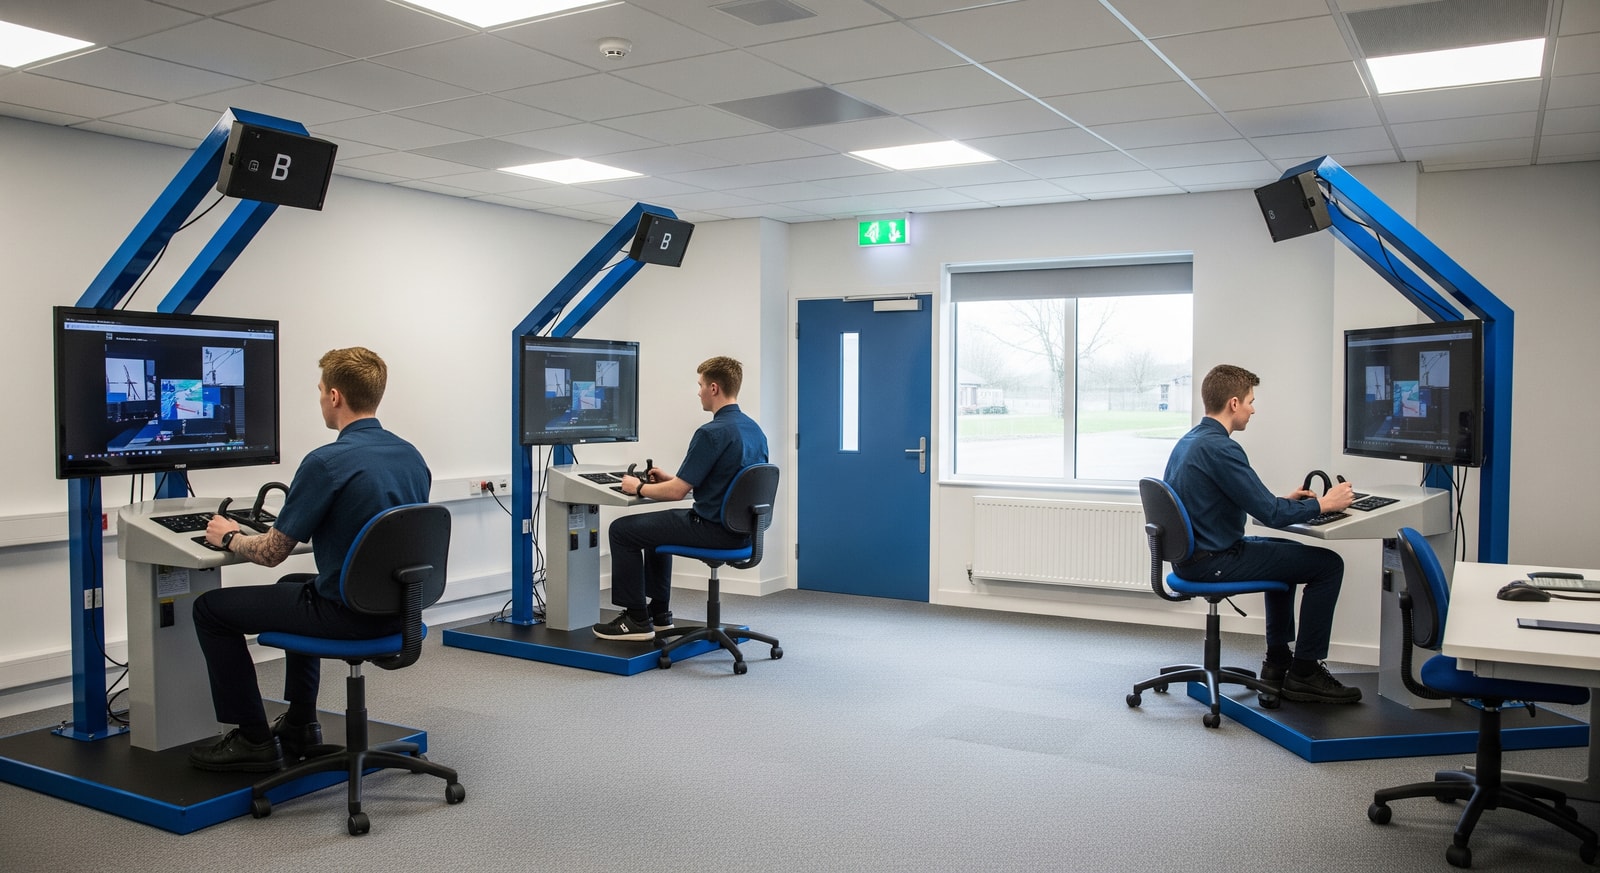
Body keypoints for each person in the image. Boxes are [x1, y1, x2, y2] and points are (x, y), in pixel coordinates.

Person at [187, 347, 432, 771]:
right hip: (401, 611)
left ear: (335, 396)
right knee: (293, 587)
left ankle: (253, 739)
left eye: (321, 391)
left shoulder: (326, 462)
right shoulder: (410, 456)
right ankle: (301, 723)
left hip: (348, 615)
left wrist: (229, 536)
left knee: (210, 610)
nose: (320, 398)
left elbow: (270, 553)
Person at [1163, 364, 1362, 704]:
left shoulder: (1193, 440)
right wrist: (1325, 504)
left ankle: (1278, 661)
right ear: (1235, 403)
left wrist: (1286, 501)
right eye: (1252, 402)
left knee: (1286, 558)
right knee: (1328, 564)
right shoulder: (1222, 449)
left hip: (1194, 558)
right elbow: (1268, 514)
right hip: (1213, 561)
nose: (1254, 409)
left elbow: (1247, 501)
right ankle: (1305, 673)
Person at [593, 356, 769, 641]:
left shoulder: (711, 432)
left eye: (700, 385)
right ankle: (660, 614)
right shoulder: (753, 429)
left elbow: (676, 494)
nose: (698, 391)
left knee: (622, 530)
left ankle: (636, 620)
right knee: (652, 530)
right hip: (745, 533)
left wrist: (636, 487)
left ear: (714, 388)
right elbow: (728, 483)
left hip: (712, 530)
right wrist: (673, 478)